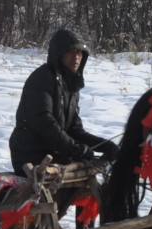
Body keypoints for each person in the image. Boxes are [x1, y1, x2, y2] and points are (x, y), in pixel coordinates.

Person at [9, 26, 116, 172]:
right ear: (58, 54)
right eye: (70, 52)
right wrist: (73, 147)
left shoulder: (71, 84)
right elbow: (42, 120)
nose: (76, 57)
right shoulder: (42, 78)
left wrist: (104, 145)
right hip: (31, 154)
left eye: (79, 52)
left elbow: (74, 129)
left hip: (57, 152)